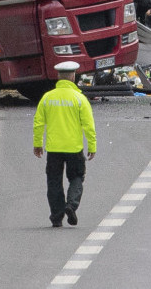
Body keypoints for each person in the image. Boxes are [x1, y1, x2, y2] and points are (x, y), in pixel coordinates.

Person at [33, 61, 97, 227]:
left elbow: (38, 123)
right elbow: (89, 126)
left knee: (54, 182)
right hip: (74, 148)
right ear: (73, 76)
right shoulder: (80, 99)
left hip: (54, 149)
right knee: (76, 177)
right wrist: (92, 146)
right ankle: (71, 205)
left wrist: (37, 144)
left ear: (58, 77)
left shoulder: (47, 98)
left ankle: (56, 217)